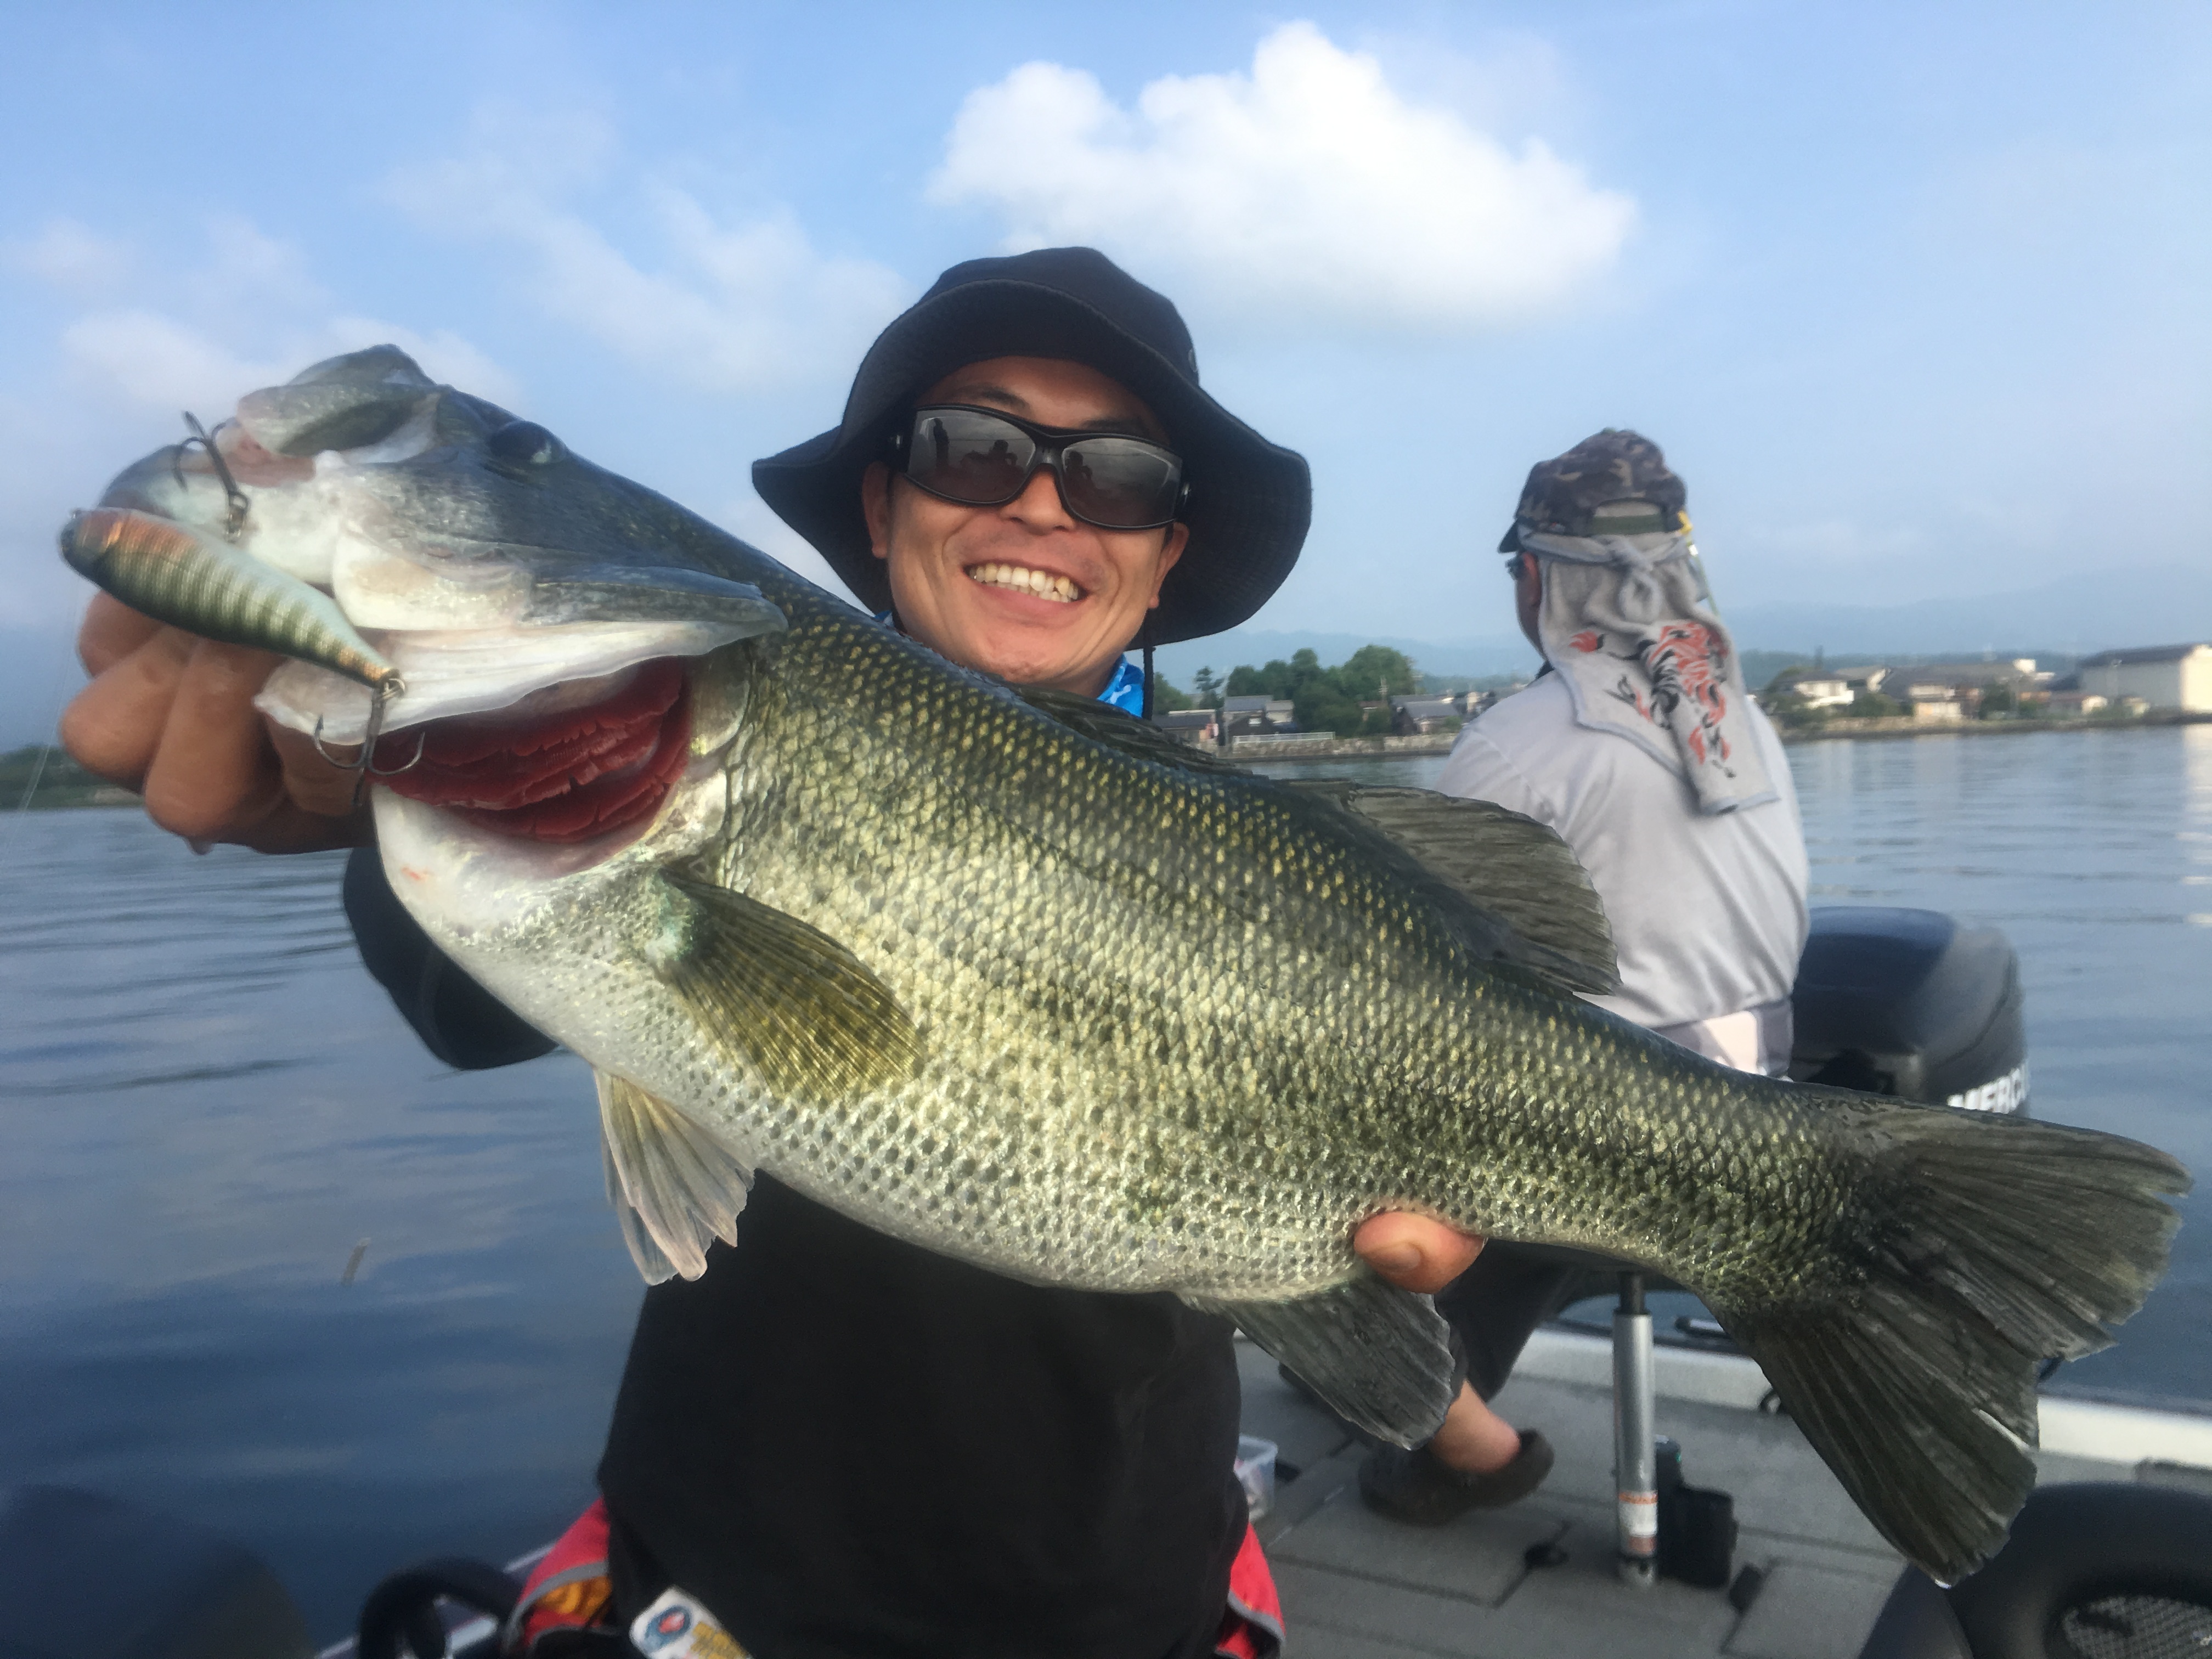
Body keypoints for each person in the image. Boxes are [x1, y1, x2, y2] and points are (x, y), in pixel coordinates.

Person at [60, 246, 1485, 1656]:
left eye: (1119, 477)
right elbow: (471, 1011)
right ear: (883, 501)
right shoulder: (680, 719)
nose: (1046, 504)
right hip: (725, 1573)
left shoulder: (1299, 889)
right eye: (976, 448)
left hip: (1119, 1581)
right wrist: (373, 792)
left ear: (1165, 546)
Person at [1358, 429, 1810, 1525]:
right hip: (1763, 1082)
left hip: (1620, 1115)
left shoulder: (1522, 737)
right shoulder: (1739, 718)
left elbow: (1419, 966)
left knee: (1339, 1229)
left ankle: (1475, 1451)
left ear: (1535, 576)